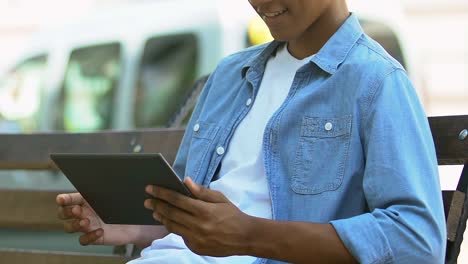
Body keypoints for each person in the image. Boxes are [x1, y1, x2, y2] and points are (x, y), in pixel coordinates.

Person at [56, 0, 446, 263]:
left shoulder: (376, 81)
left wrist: (249, 236)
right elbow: (195, 210)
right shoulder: (230, 74)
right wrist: (130, 223)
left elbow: (417, 239)